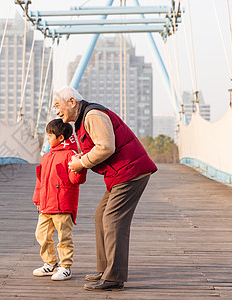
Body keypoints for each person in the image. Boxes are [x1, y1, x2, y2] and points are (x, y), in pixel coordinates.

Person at [53, 86, 158, 291]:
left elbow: (106, 147)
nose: (56, 111)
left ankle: (114, 278)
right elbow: (98, 147)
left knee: (113, 219)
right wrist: (81, 158)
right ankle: (105, 270)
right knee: (101, 214)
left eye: (58, 105)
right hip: (120, 174)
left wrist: (82, 162)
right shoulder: (84, 119)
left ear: (72, 102)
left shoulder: (92, 115)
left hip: (130, 172)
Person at [32, 118, 87, 281]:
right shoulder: (47, 156)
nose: (47, 139)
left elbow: (75, 180)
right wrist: (38, 200)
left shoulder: (71, 155)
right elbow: (40, 180)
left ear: (60, 138)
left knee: (64, 237)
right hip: (46, 205)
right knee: (41, 234)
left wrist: (80, 166)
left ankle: (65, 267)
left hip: (63, 205)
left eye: (50, 136)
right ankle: (50, 264)